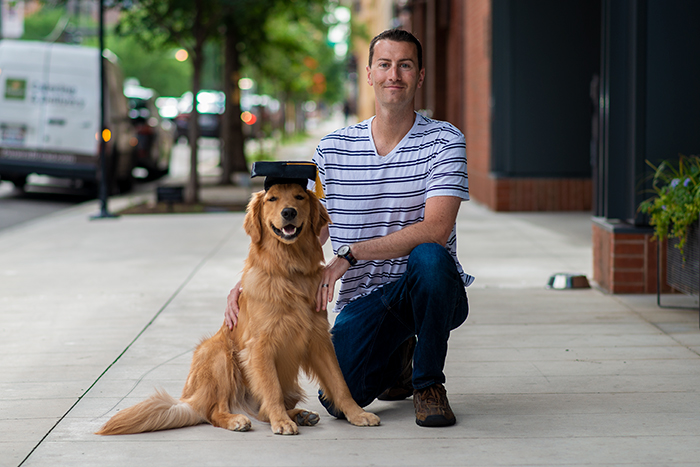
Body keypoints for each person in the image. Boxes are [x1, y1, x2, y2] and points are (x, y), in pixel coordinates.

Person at [226, 28, 472, 428]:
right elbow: (306, 227)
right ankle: (398, 362)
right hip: (364, 301)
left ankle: (428, 383)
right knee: (340, 403)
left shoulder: (445, 141)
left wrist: (350, 254)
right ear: (370, 74)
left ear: (420, 76)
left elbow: (436, 229)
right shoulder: (333, 149)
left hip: (430, 289)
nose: (395, 74)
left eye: (405, 65)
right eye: (385, 64)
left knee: (428, 256)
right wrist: (249, 282)